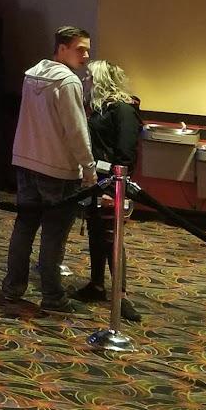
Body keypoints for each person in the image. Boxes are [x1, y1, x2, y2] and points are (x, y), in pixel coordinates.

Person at [0, 26, 97, 314]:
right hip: (58, 168)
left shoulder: (32, 75)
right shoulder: (68, 82)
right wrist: (88, 167)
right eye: (80, 49)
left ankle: (13, 286)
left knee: (24, 227)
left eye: (87, 50)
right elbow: (76, 130)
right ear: (62, 48)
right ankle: (52, 295)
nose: (86, 55)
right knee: (54, 235)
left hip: (27, 160)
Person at [72, 59, 141, 322]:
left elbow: (126, 152)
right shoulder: (100, 108)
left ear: (100, 79)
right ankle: (97, 284)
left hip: (113, 182)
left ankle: (121, 295)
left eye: (89, 76)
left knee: (112, 236)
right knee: (95, 231)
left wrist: (114, 186)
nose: (85, 80)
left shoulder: (123, 109)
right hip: (96, 179)